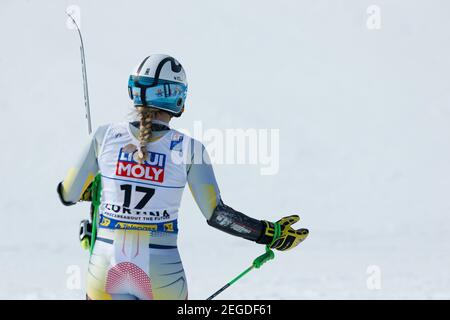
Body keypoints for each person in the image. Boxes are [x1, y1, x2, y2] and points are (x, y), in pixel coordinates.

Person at [57, 54, 309, 300]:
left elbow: (67, 194)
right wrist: (269, 233)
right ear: (177, 97)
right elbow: (217, 214)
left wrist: (94, 191)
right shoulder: (190, 149)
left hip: (104, 269)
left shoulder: (104, 136)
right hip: (161, 274)